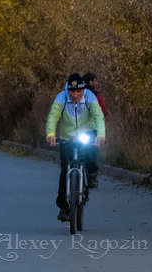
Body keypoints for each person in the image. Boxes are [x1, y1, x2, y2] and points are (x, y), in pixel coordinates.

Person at [45, 73, 106, 222]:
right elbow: (53, 115)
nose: (75, 95)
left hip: (87, 133)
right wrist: (51, 133)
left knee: (91, 156)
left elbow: (98, 115)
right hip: (68, 137)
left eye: (79, 91)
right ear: (68, 90)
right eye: (72, 91)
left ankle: (91, 174)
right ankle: (64, 207)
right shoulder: (61, 97)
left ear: (83, 90)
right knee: (65, 169)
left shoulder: (90, 97)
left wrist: (101, 134)